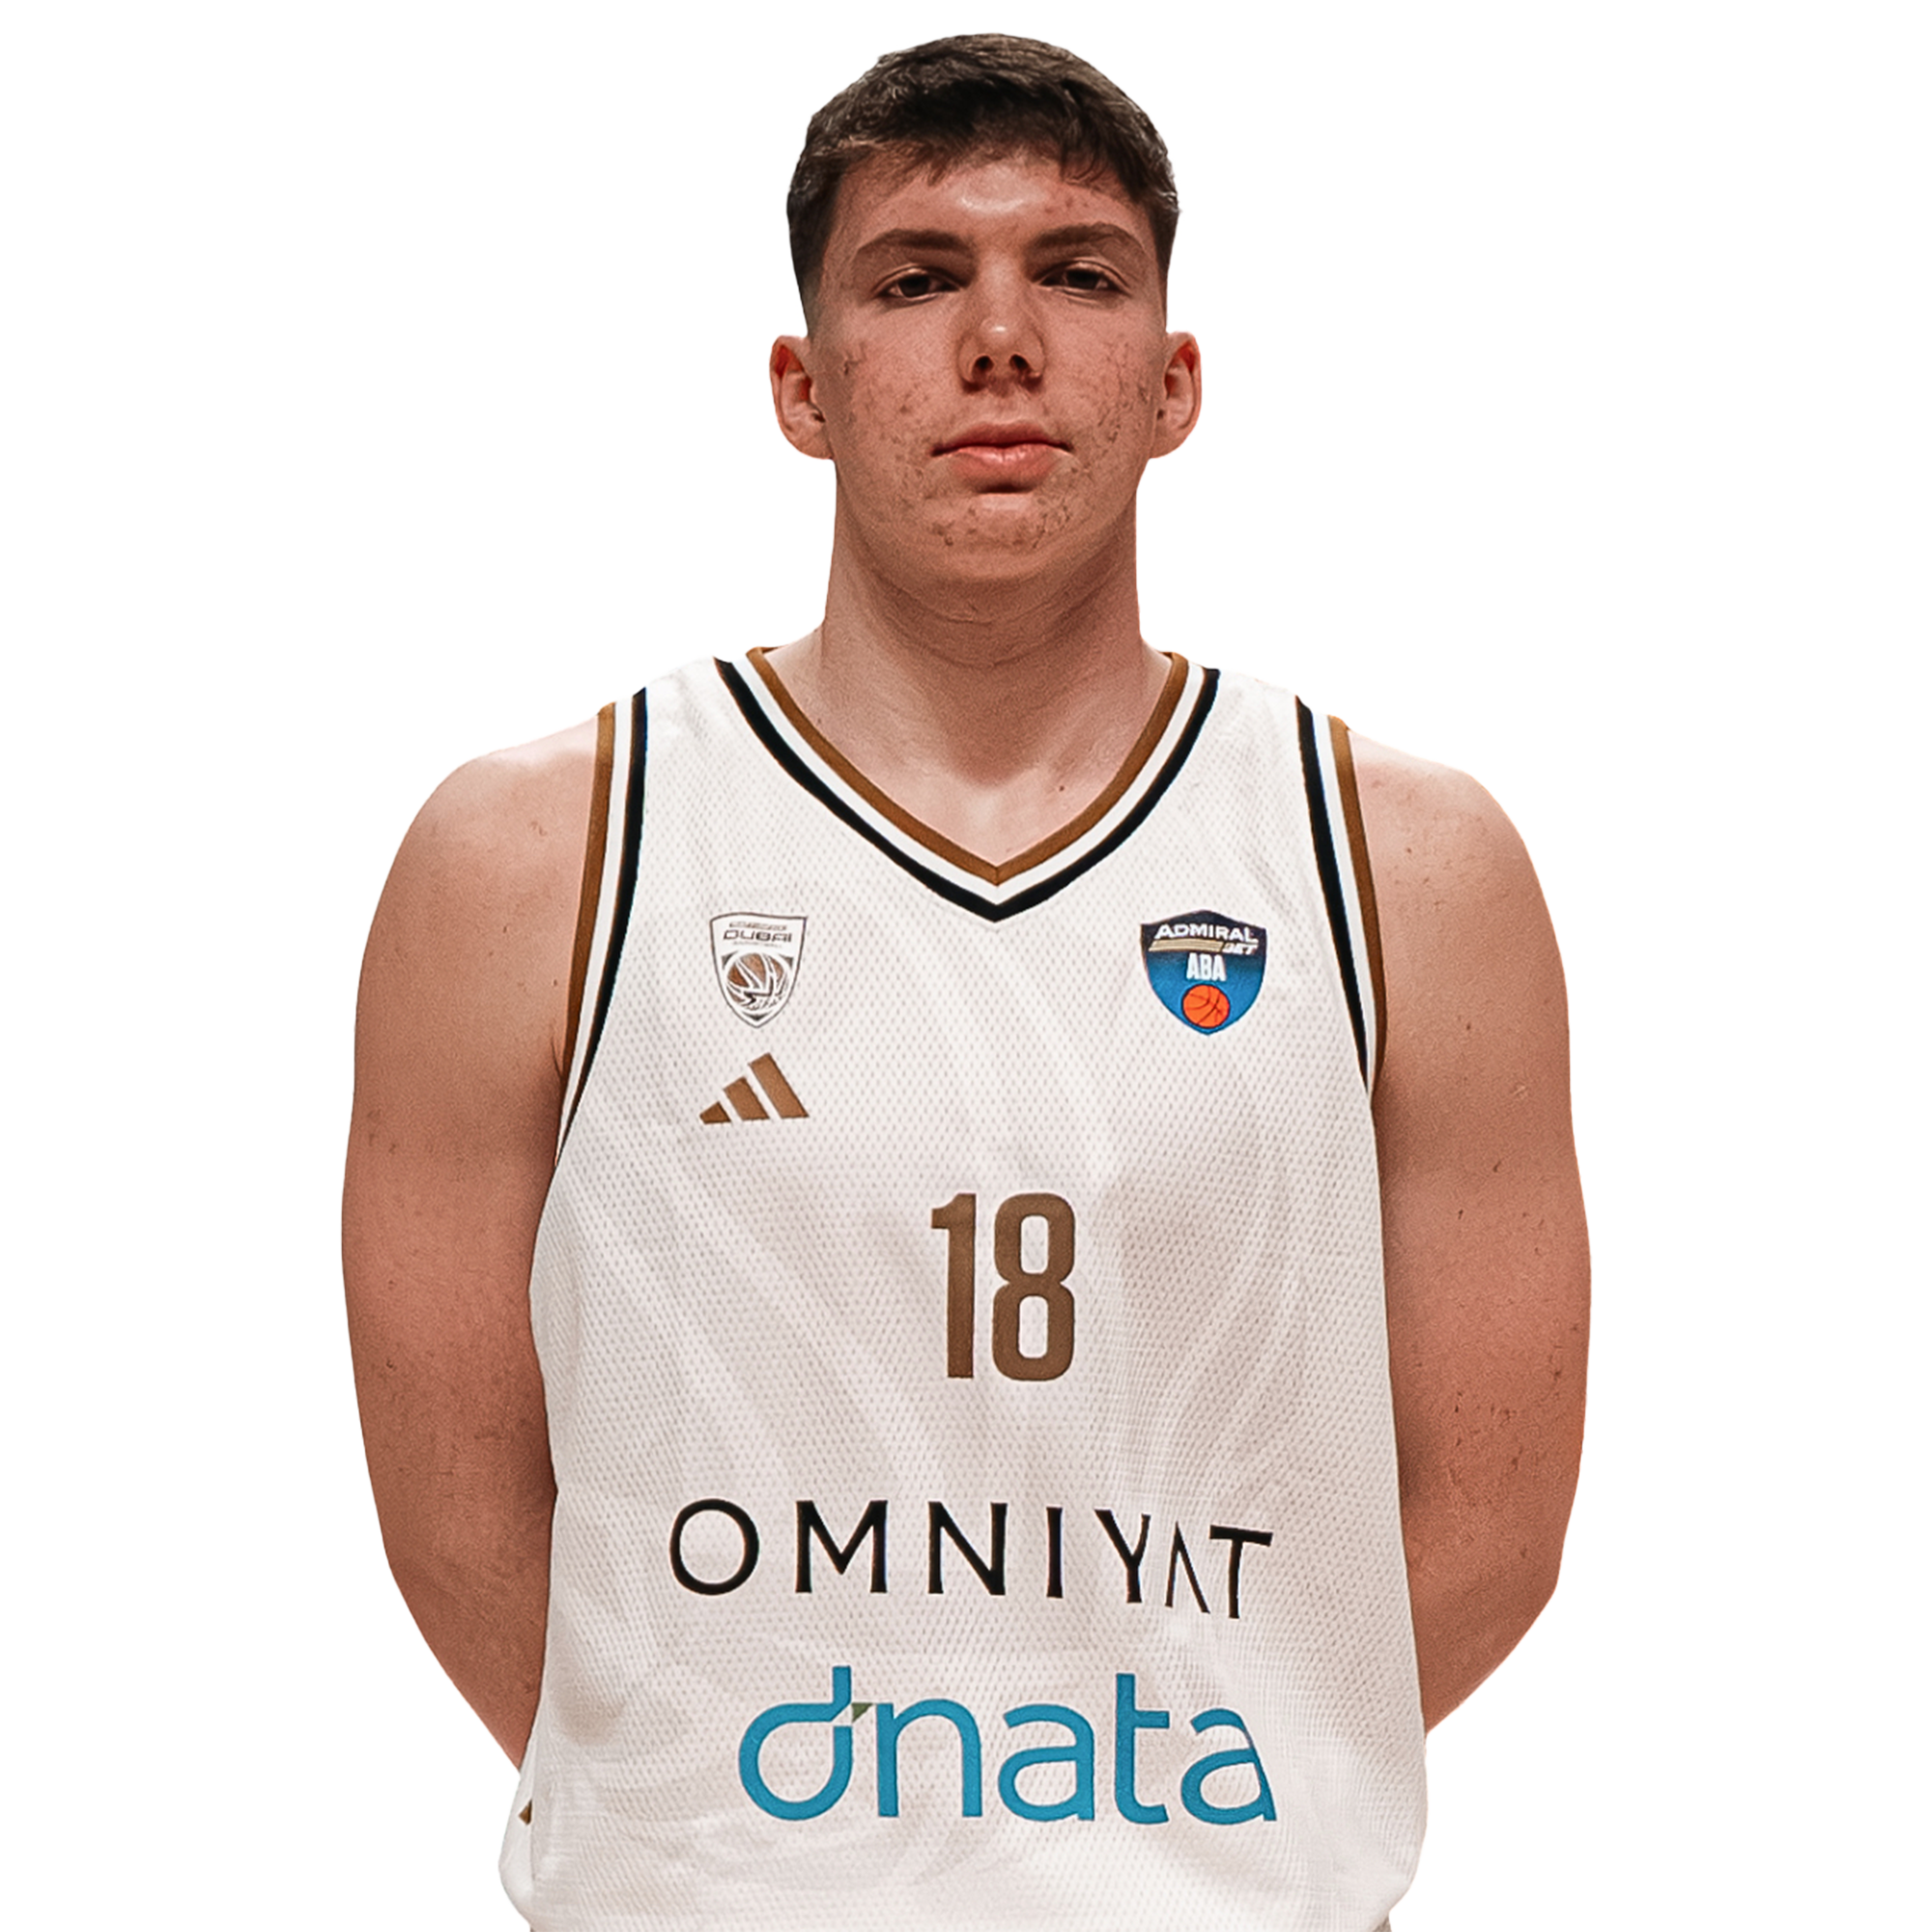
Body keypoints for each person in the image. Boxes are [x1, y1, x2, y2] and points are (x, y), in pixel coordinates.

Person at [343, 32, 1589, 1930]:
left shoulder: (1405, 864)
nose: (999, 341)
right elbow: (458, 1498)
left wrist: (1138, 1856)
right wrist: (759, 1847)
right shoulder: (535, 854)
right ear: (804, 387)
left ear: (1172, 381)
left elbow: (1487, 1515)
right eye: (917, 279)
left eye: (1075, 274)